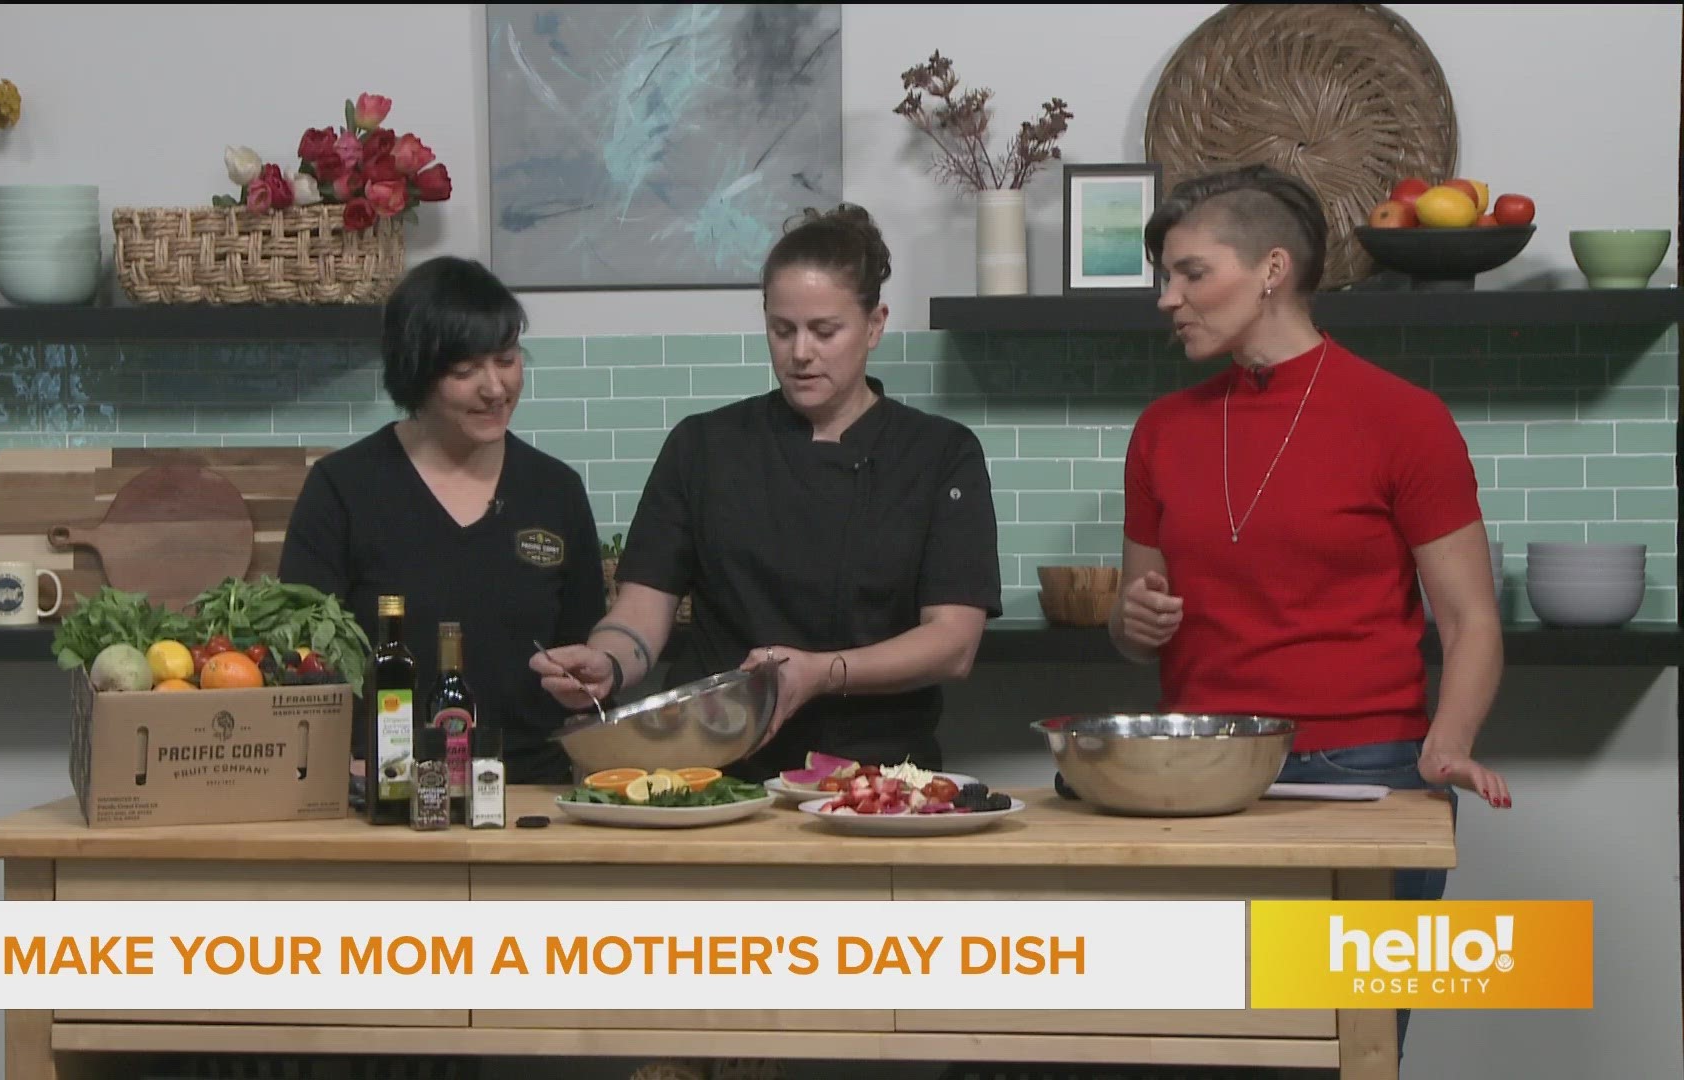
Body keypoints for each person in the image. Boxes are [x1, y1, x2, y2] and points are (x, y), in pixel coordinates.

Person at [1112, 164, 1512, 1053]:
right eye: (1164, 278)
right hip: (1200, 780)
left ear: (1272, 269)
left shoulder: (1404, 420)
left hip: (1365, 778)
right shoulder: (1162, 431)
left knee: (1347, 1051)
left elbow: (1472, 622)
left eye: (1190, 273)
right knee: (1210, 1053)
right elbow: (1135, 627)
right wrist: (1131, 623)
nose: (1168, 299)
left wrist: (1443, 748)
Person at [529, 204, 1002, 781]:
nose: (800, 352)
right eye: (783, 329)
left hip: (876, 778)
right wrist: (606, 663)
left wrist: (818, 672)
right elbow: (640, 615)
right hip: (714, 772)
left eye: (825, 331)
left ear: (875, 324)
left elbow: (953, 644)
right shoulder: (703, 446)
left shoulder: (938, 454)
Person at [279, 255, 606, 784]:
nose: (496, 388)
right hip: (386, 788)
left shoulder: (555, 491)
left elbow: (587, 652)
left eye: (506, 359)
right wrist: (341, 763)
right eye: (465, 370)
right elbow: (305, 658)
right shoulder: (344, 489)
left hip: (527, 789)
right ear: (417, 371)